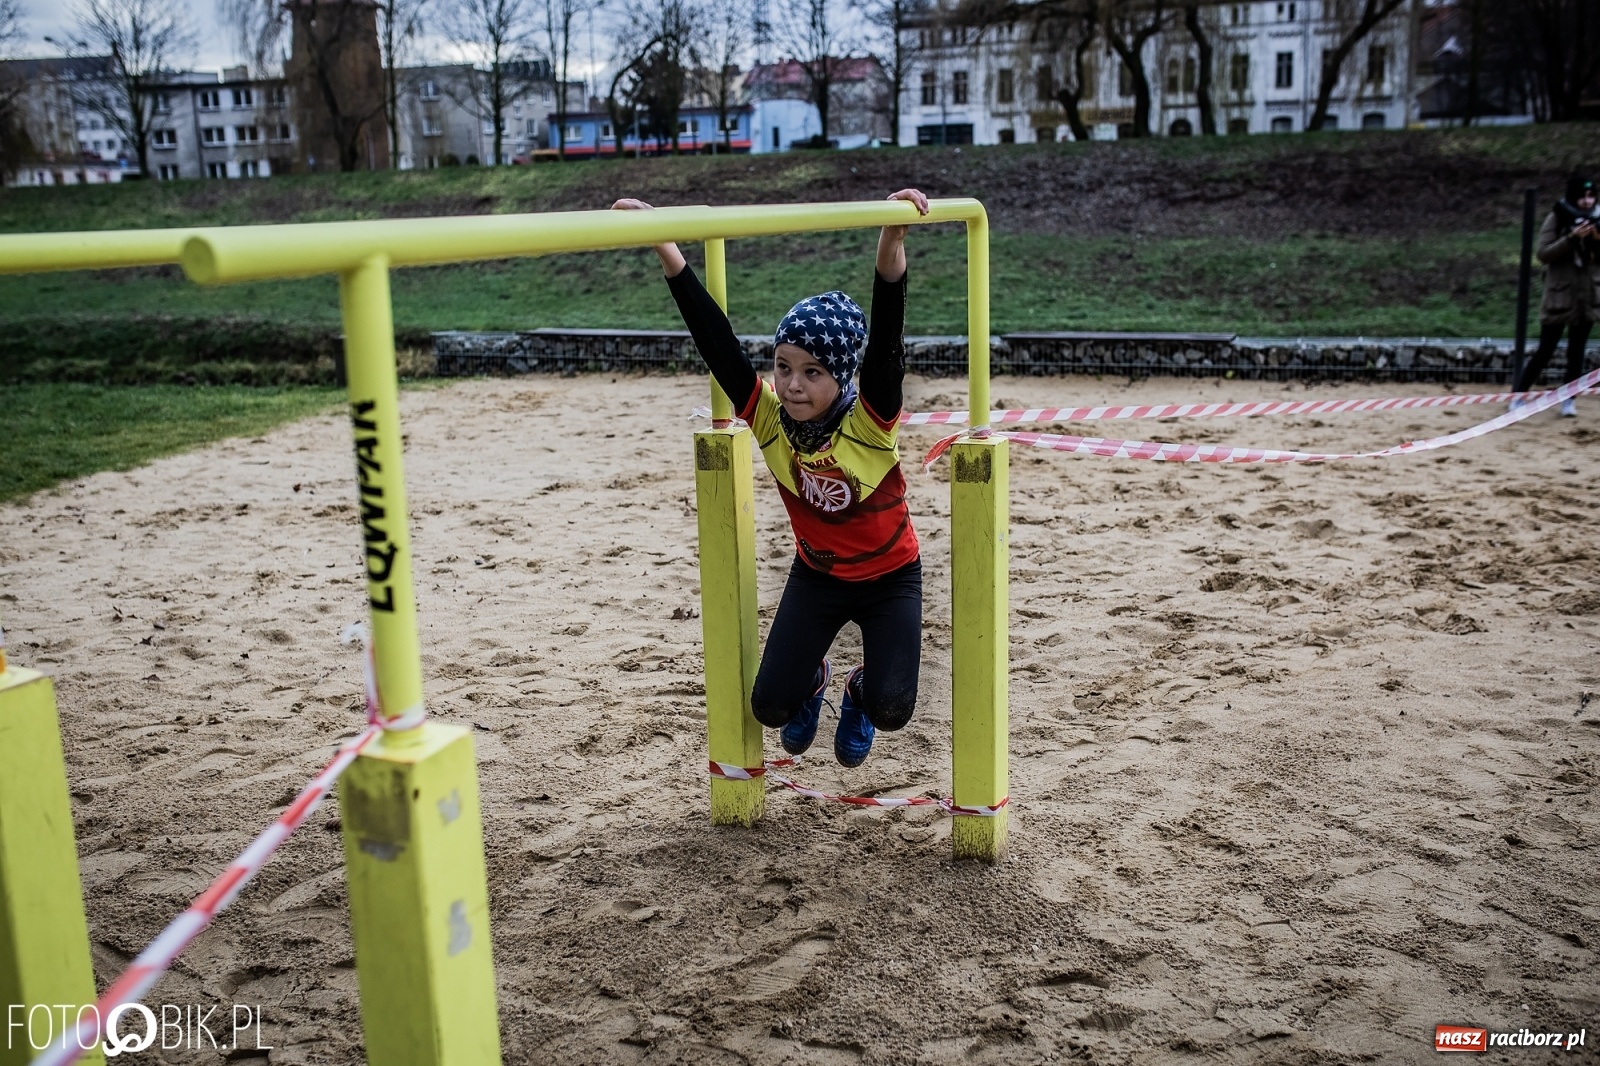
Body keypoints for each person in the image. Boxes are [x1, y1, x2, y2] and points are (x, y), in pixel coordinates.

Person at [611, 189, 930, 767]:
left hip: (890, 577)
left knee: (892, 708)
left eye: (812, 372)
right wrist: (663, 242)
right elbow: (716, 342)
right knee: (770, 705)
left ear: (841, 377)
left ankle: (855, 694)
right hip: (821, 574)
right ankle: (813, 684)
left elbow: (887, 338)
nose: (793, 385)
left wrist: (891, 238)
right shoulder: (767, 417)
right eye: (783, 367)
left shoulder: (870, 422)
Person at [1514, 173, 1599, 416]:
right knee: (1545, 349)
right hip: (1560, 296)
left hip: (1588, 297)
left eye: (1591, 196)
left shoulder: (1598, 219)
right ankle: (1517, 396)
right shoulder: (1558, 216)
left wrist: (1595, 240)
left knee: (1577, 352)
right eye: (1582, 197)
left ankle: (1568, 400)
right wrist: (1572, 238)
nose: (1587, 201)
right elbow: (1543, 253)